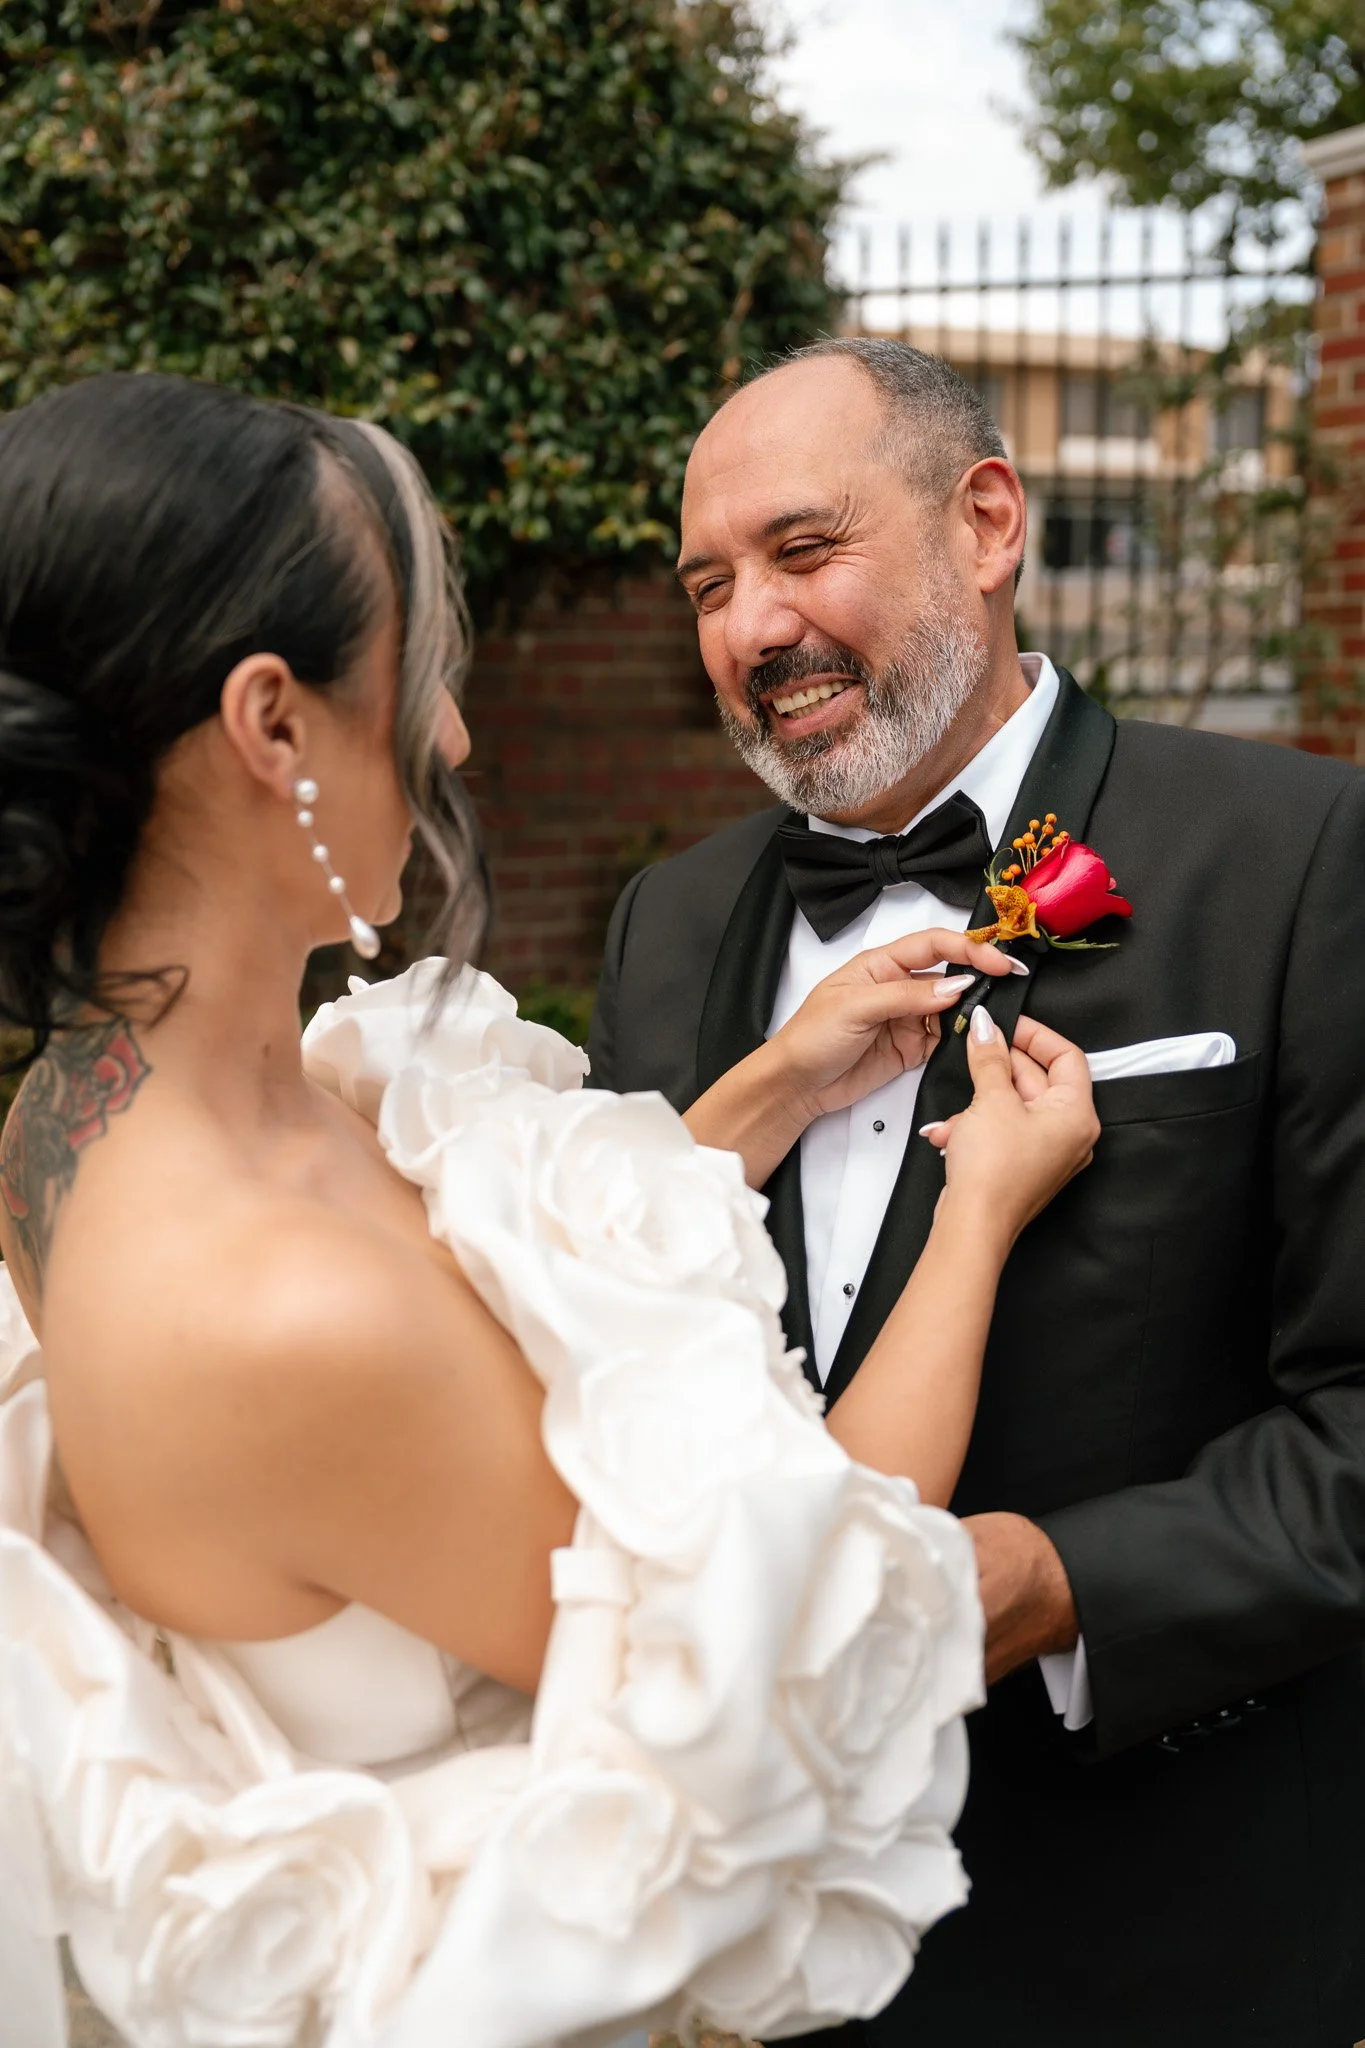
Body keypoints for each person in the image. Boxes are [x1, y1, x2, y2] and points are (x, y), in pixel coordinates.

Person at [0, 372, 1097, 2048]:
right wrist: (979, 1215)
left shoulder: (90, 1111)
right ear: (272, 725)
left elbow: (529, 1300)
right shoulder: (283, 1317)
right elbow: (790, 1656)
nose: (447, 735)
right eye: (415, 677)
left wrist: (766, 1094)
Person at [588, 337, 1365, 2048]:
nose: (749, 632)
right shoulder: (666, 927)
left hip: (1161, 1939)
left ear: (991, 522)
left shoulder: (1304, 860)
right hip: (730, 1944)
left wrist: (1060, 1585)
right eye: (709, 585)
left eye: (804, 551)